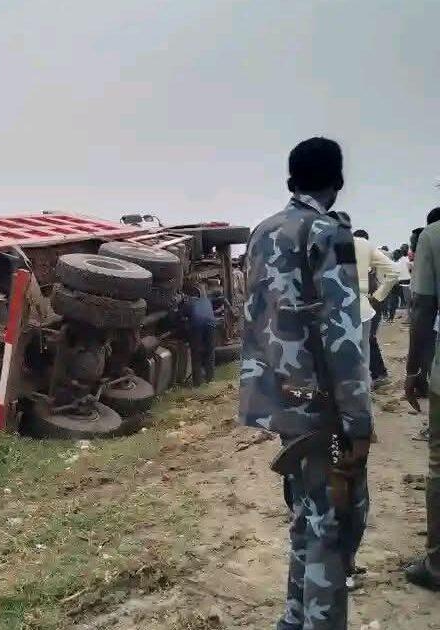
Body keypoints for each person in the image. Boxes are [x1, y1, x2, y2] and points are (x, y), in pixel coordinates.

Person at [240, 137, 371, 629]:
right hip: (322, 406)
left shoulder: (263, 231)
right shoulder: (329, 232)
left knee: (307, 516)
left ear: (291, 181)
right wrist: (358, 418)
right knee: (333, 526)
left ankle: (294, 620)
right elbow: (343, 334)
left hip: (277, 399)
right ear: (337, 181)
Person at [404, 213, 440, 591]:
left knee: (439, 466)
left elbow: (423, 309)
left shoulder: (433, 236)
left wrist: (414, 371)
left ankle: (437, 563)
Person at [352, 229, 398, 388]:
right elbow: (393, 272)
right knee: (368, 341)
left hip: (361, 302)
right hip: (368, 303)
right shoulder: (369, 250)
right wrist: (378, 296)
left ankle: (377, 374)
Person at [180, 282, 216, 385]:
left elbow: (180, 317)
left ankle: (197, 382)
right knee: (209, 353)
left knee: (196, 354)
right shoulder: (207, 300)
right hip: (211, 324)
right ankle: (210, 379)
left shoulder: (189, 302)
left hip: (197, 325)